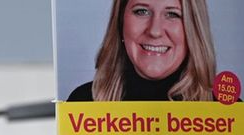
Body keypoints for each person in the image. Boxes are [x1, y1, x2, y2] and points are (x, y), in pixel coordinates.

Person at [67, 0, 218, 102]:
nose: (155, 31)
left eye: (172, 14)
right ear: (121, 22)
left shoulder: (226, 111)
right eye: (142, 11)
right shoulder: (84, 103)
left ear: (194, 29)